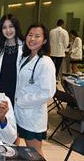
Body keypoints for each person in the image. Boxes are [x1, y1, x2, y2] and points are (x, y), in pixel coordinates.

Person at [15, 24, 56, 156]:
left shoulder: (45, 62)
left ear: (44, 40)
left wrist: (22, 100)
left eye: (37, 36)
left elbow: (48, 92)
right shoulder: (26, 57)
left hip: (33, 116)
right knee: (23, 152)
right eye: (30, 35)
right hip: (20, 112)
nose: (32, 39)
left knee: (35, 153)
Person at [0, 14, 23, 107]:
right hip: (0, 88)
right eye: (4, 27)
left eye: (11, 26)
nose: (8, 30)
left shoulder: (25, 48)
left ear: (16, 27)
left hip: (16, 90)